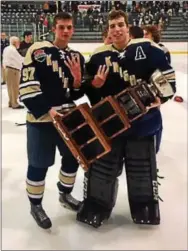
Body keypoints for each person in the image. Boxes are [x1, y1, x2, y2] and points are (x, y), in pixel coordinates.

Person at [77, 10, 176, 228]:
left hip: (143, 123)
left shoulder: (148, 49)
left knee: (141, 167)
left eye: (120, 24)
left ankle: (144, 206)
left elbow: (168, 78)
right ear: (108, 29)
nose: (116, 29)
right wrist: (95, 86)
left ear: (128, 26)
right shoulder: (98, 56)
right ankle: (97, 205)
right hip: (110, 126)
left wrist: (163, 98)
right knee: (103, 168)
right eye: (112, 26)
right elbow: (91, 93)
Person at [19, 12, 85, 229]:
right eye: (61, 27)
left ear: (73, 29)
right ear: (53, 29)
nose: (65, 31)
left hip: (68, 119)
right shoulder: (37, 51)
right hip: (42, 120)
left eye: (69, 27)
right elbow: (27, 87)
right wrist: (46, 110)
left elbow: (73, 95)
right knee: (38, 163)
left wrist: (76, 83)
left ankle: (64, 195)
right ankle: (35, 205)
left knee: (71, 159)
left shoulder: (77, 57)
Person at [3, 36, 24, 109]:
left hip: (7, 69)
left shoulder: (6, 48)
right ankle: (14, 103)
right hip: (13, 70)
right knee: (14, 87)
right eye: (18, 42)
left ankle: (11, 102)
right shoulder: (12, 50)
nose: (19, 43)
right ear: (15, 42)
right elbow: (19, 59)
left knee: (10, 87)